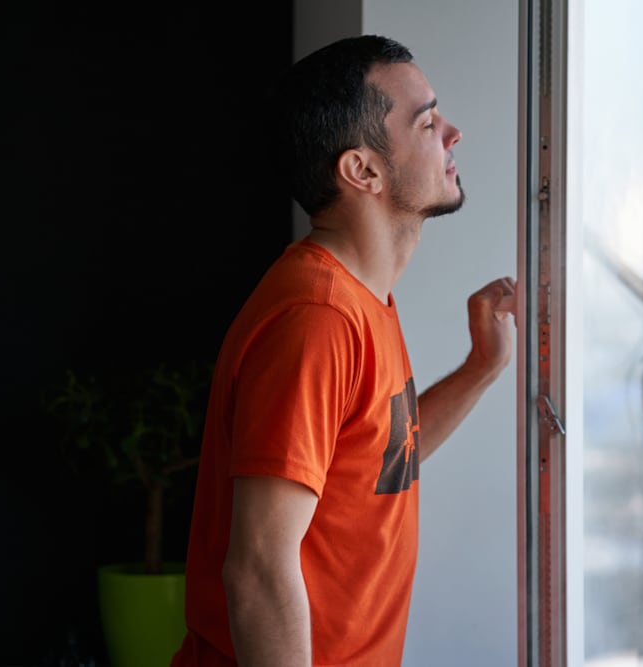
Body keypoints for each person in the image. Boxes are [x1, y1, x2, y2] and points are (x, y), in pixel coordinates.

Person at [171, 35, 516, 667]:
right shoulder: (319, 319)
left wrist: (480, 370)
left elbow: (376, 457)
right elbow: (257, 568)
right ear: (363, 170)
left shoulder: (360, 299)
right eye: (427, 121)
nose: (453, 133)